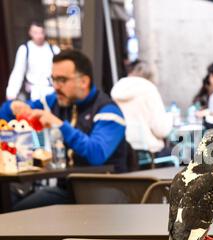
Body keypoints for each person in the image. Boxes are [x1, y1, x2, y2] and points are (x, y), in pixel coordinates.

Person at [0, 49, 128, 209]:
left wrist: (59, 125)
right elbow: (7, 117)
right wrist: (11, 108)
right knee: (11, 207)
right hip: (69, 189)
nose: (55, 86)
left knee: (18, 212)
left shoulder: (108, 112)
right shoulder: (54, 101)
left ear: (84, 81)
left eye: (62, 80)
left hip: (104, 192)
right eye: (53, 79)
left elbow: (97, 154)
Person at [111, 60, 173, 161]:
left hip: (124, 150)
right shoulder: (149, 89)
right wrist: (170, 117)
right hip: (150, 152)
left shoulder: (117, 88)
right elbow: (160, 130)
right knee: (190, 154)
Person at [6, 22, 60, 101]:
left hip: (51, 91)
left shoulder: (54, 49)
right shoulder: (24, 49)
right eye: (35, 33)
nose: (39, 36)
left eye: (41, 32)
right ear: (30, 33)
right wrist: (11, 93)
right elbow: (18, 72)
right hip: (33, 93)